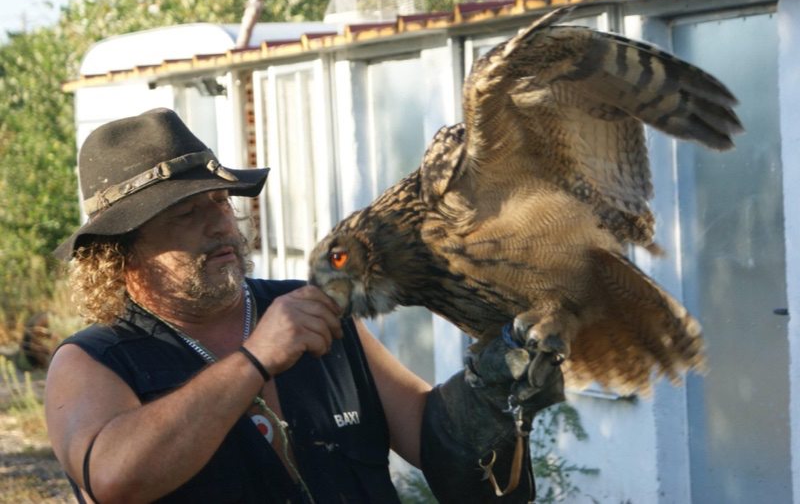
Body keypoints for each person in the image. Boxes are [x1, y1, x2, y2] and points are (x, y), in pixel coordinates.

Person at [45, 108, 564, 504]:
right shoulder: (93, 362)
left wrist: (494, 398)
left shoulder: (315, 309)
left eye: (221, 202)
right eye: (186, 212)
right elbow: (113, 480)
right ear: (119, 250)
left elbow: (439, 446)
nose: (222, 224)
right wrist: (255, 361)